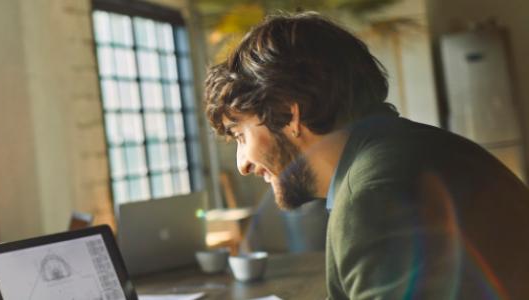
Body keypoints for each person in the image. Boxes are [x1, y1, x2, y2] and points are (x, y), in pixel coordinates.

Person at [204, 11, 529, 299]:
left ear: (289, 115)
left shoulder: (371, 198)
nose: (242, 164)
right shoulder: (417, 148)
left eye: (240, 135)